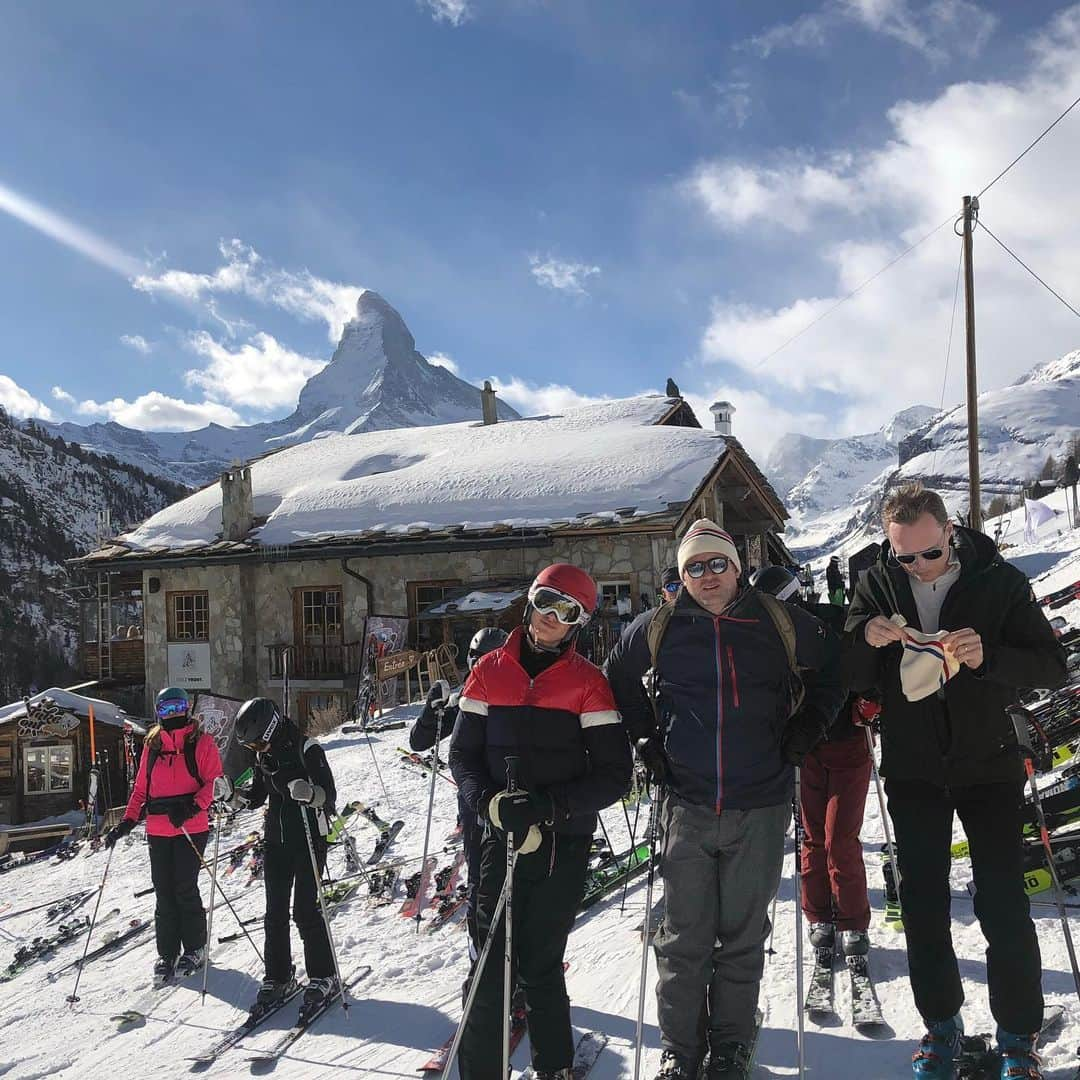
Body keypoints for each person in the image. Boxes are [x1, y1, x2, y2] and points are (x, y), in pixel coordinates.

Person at [605, 520, 845, 1079]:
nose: (707, 576)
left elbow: (836, 668)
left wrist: (809, 726)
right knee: (683, 937)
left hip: (759, 803)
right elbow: (617, 676)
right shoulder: (660, 626)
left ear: (736, 568)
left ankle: (732, 1047)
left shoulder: (777, 619)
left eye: (717, 564)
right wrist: (643, 738)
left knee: (741, 936)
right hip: (686, 804)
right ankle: (680, 1051)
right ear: (682, 574)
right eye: (694, 566)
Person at [846, 483, 1067, 1080]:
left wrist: (987, 656)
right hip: (915, 768)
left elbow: (1052, 666)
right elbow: (851, 672)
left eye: (928, 554)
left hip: (989, 766)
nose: (917, 567)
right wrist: (866, 635)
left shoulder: (998, 581)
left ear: (950, 533)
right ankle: (941, 1031)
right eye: (904, 557)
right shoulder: (875, 583)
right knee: (920, 905)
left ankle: (1018, 1039)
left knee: (1003, 902)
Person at [449, 563, 631, 1080]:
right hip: (496, 841)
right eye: (547, 601)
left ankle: (554, 1067)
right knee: (488, 968)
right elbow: (462, 756)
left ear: (579, 623)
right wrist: (488, 804)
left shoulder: (588, 684)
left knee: (541, 965)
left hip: (559, 848)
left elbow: (614, 776)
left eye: (567, 610)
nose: (552, 617)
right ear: (531, 601)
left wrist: (548, 808)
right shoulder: (488, 670)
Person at [749, 564, 871, 957]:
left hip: (848, 744)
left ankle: (852, 920)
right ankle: (818, 915)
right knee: (812, 837)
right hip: (805, 751)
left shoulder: (832, 622)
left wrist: (870, 703)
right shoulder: (765, 639)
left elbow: (865, 668)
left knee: (840, 839)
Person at [105, 686, 223, 985]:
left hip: (190, 826)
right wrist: (127, 821)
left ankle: (195, 947)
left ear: (186, 710)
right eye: (166, 710)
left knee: (184, 887)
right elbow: (141, 789)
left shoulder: (202, 742)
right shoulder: (153, 745)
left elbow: (212, 783)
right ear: (159, 713)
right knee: (164, 891)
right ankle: (167, 952)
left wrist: (191, 807)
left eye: (178, 708)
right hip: (158, 828)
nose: (173, 715)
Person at [232, 697, 340, 1021]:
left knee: (305, 910)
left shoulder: (307, 748)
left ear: (273, 728)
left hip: (309, 839)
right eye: (251, 746)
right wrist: (232, 797)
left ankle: (324, 975)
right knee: (274, 913)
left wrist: (310, 794)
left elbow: (329, 795)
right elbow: (258, 797)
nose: (257, 749)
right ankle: (278, 977)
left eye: (259, 741)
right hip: (276, 841)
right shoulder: (264, 756)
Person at [410, 625, 508, 953]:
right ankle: (482, 961)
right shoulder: (468, 697)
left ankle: (521, 969)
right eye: (477, 662)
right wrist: (430, 712)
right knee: (483, 883)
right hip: (475, 804)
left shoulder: (516, 692)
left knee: (515, 883)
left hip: (512, 801)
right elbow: (420, 741)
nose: (483, 669)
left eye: (490, 661)